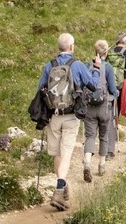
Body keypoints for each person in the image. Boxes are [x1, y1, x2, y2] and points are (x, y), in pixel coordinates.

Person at [36, 33, 101, 211]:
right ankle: (59, 189)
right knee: (66, 154)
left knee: (57, 153)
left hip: (54, 116)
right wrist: (96, 68)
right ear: (71, 47)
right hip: (71, 117)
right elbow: (93, 86)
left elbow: (41, 88)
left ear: (59, 47)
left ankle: (63, 190)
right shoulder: (78, 65)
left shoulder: (50, 65)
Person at [82, 40, 119, 182]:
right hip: (104, 108)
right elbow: (112, 88)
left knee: (90, 136)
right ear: (106, 52)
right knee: (103, 136)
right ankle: (102, 165)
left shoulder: (86, 65)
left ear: (95, 51)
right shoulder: (108, 67)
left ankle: (87, 162)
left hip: (89, 107)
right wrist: (116, 94)